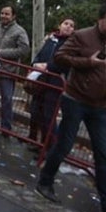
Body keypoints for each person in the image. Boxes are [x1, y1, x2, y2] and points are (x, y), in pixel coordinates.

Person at [35, 3, 106, 212]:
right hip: (75, 100)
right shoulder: (82, 36)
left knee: (104, 154)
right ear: (100, 20)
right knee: (64, 144)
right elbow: (59, 58)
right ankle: (45, 181)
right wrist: (86, 63)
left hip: (100, 105)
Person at [27, 17, 74, 153]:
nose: (68, 27)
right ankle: (38, 142)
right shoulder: (51, 40)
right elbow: (40, 54)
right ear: (60, 25)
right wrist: (35, 64)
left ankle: (49, 148)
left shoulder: (71, 45)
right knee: (36, 111)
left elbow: (65, 64)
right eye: (66, 23)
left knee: (49, 116)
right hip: (41, 80)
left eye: (71, 25)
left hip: (55, 83)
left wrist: (48, 66)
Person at [0, 5, 30, 134]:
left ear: (13, 16)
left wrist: (1, 53)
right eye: (2, 13)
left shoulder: (20, 31)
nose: (3, 16)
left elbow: (24, 50)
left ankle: (6, 128)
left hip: (7, 71)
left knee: (7, 100)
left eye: (7, 14)